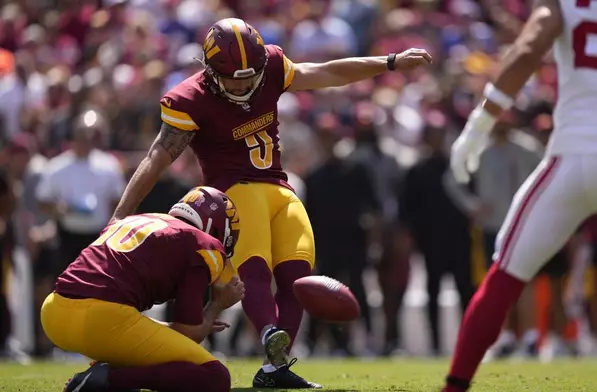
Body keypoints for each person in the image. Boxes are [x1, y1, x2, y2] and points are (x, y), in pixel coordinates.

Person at [109, 17, 432, 389]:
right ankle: (266, 332)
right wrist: (121, 212)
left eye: (251, 75)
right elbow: (158, 156)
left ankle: (275, 367)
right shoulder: (191, 98)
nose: (246, 84)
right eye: (235, 77)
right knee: (256, 268)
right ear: (211, 71)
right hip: (234, 192)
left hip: (280, 188)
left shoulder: (273, 67)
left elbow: (325, 72)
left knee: (298, 275)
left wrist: (388, 62)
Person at [444, 0, 597, 390]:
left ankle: (454, 386)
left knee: (503, 275)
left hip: (576, 154)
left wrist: (478, 125)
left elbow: (529, 47)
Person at [40, 186, 245, 392]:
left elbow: (131, 321)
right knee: (215, 376)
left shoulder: (136, 220)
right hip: (101, 320)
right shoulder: (202, 244)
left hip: (54, 313)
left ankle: (106, 371)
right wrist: (216, 305)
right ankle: (106, 380)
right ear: (218, 228)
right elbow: (188, 334)